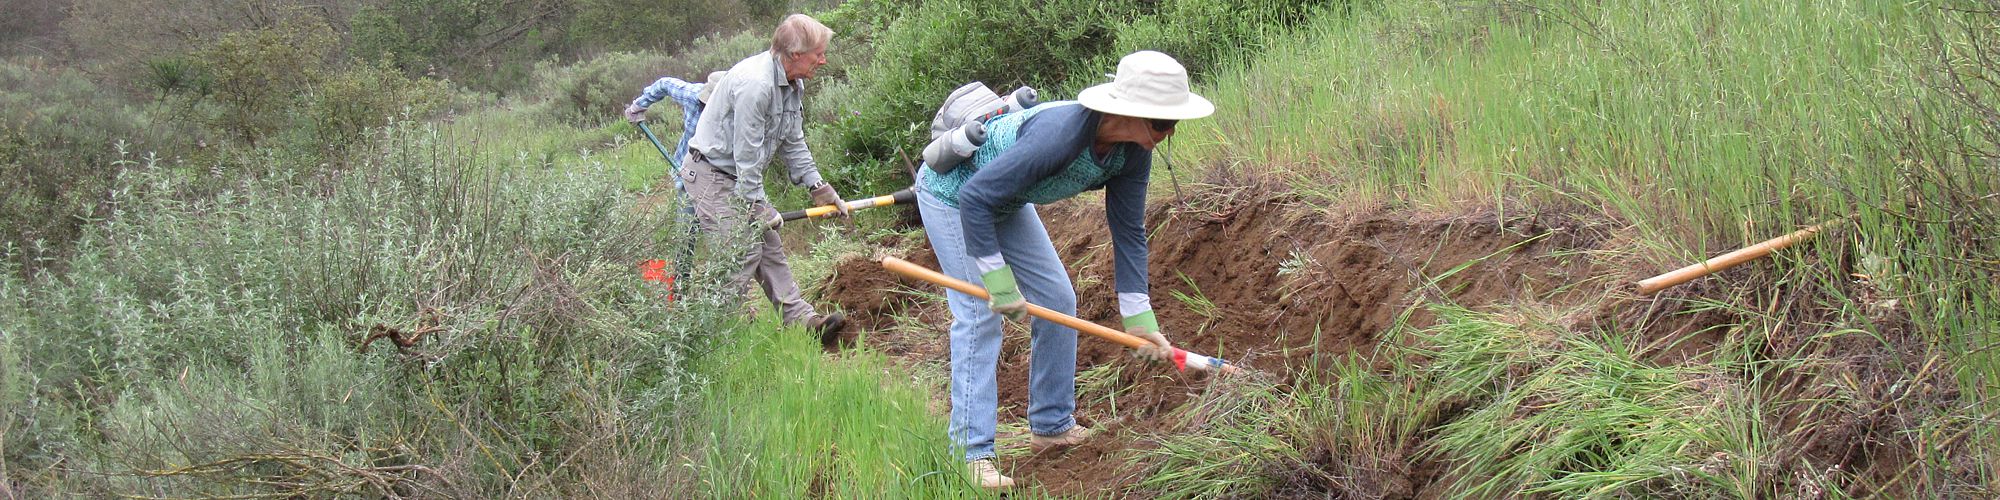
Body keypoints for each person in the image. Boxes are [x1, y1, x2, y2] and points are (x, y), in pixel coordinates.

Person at [914, 50, 1215, 489]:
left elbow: (1129, 231)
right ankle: (970, 453)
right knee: (979, 315)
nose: (1168, 134)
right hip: (954, 196)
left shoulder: (1132, 154)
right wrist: (998, 283)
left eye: (1173, 124)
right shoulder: (1059, 134)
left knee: (1058, 300)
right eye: (1162, 124)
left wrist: (1140, 318)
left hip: (1006, 200)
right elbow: (977, 198)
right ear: (1130, 110)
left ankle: (1051, 426)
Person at [681, 14, 848, 341]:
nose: (823, 60)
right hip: (711, 174)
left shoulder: (792, 83)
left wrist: (818, 186)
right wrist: (756, 203)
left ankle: (802, 322)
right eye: (819, 53)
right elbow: (746, 151)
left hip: (738, 177)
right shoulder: (755, 84)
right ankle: (713, 334)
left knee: (768, 248)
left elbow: (792, 140)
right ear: (796, 54)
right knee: (740, 250)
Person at [625, 70, 728, 199]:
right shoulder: (693, 95)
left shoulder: (741, 112)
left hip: (723, 176)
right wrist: (637, 107)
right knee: (687, 212)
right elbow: (664, 84)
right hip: (686, 169)